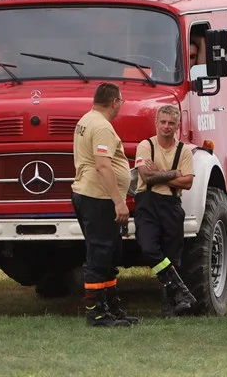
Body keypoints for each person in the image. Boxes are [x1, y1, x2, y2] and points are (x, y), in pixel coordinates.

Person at [71, 82, 137, 327]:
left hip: (92, 195)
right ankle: (97, 314)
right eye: (121, 102)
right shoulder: (101, 126)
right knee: (99, 256)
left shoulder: (86, 119)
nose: (121, 106)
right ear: (115, 102)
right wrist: (119, 202)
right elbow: (102, 165)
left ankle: (111, 308)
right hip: (97, 198)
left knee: (108, 254)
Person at [133, 105, 199, 316]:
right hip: (147, 203)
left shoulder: (184, 151)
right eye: (163, 122)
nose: (166, 127)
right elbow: (146, 177)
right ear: (156, 123)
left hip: (171, 205)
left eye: (171, 123)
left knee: (172, 256)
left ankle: (171, 305)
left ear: (178, 125)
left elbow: (188, 183)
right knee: (148, 248)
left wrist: (161, 173)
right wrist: (174, 174)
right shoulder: (145, 146)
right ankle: (181, 291)